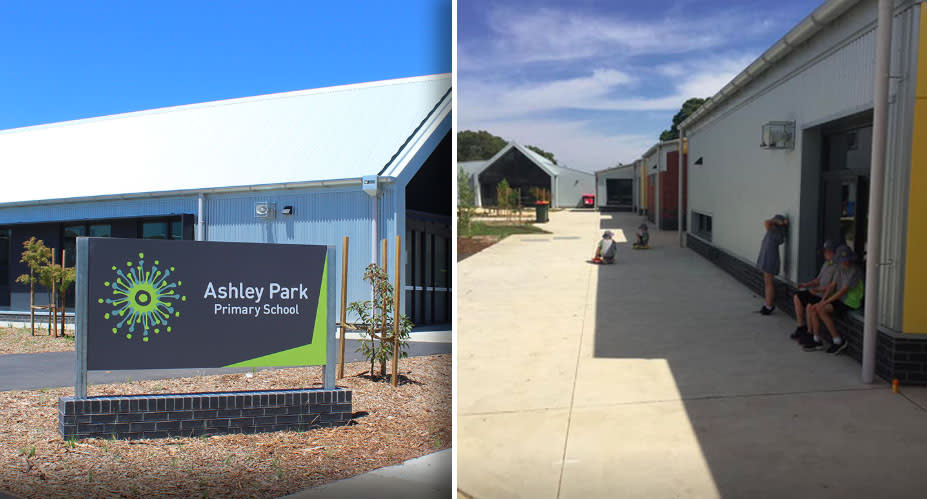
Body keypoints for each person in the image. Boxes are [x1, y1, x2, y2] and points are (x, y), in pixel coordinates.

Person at [801, 245, 863, 354]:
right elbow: (832, 286)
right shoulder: (839, 268)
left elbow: (843, 291)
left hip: (850, 301)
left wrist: (825, 302)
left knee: (821, 309)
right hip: (840, 299)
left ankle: (838, 341)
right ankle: (816, 340)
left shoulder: (854, 270)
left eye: (847, 259)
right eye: (842, 260)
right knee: (814, 308)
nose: (845, 262)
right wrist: (822, 300)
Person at [790, 240, 838, 342]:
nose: (825, 253)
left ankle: (810, 334)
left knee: (809, 305)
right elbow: (818, 280)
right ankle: (801, 327)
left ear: (834, 253)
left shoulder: (838, 267)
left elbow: (833, 286)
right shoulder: (826, 264)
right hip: (816, 292)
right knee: (797, 296)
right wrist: (806, 284)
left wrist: (817, 290)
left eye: (827, 251)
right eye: (825, 251)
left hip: (824, 295)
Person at [756, 214, 788, 315]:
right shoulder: (774, 231)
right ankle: (768, 304)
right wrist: (780, 223)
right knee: (768, 283)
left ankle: (769, 306)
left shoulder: (775, 232)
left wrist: (779, 222)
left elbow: (766, 222)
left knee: (768, 283)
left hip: (770, 260)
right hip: (769, 258)